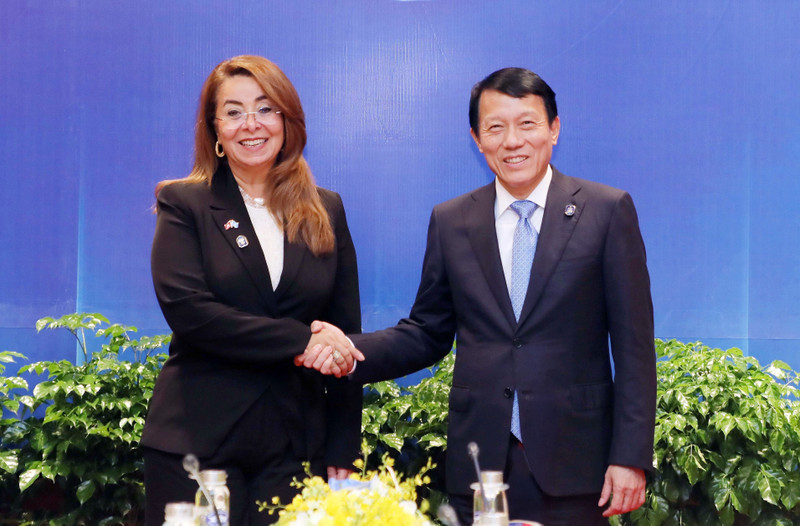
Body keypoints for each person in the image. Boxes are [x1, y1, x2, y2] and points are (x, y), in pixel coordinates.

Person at [300, 67, 656, 525]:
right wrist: (349, 350)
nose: (513, 141)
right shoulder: (452, 221)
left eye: (527, 123)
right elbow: (427, 332)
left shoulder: (606, 212)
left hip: (575, 462)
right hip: (480, 462)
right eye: (495, 127)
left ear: (554, 129)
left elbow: (633, 347)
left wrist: (629, 456)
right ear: (477, 138)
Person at [141, 55, 364, 526]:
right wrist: (301, 341)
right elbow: (191, 313)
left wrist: (344, 444)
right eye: (234, 111)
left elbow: (343, 333)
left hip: (295, 444)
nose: (251, 125)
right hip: (196, 443)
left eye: (265, 109)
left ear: (287, 119)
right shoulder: (184, 202)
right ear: (215, 129)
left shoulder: (326, 209)